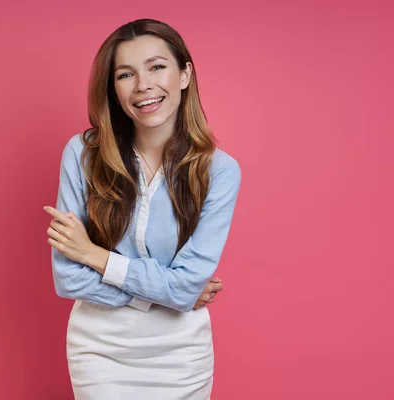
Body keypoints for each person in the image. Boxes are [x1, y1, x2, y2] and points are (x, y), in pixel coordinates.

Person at [44, 18, 242, 399]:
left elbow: (186, 287)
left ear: (184, 75)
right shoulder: (83, 154)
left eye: (156, 67)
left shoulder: (219, 171)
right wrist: (164, 293)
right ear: (114, 89)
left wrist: (95, 255)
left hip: (180, 353)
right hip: (100, 349)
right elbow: (69, 279)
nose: (143, 85)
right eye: (125, 74)